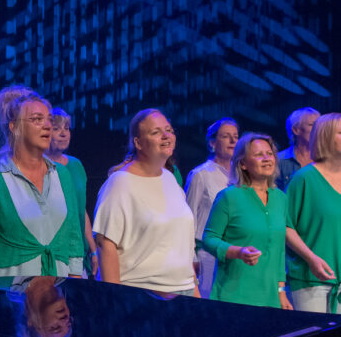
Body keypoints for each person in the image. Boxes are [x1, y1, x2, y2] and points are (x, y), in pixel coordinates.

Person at [0, 93, 84, 279]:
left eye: (49, 119)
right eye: (37, 119)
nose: (48, 125)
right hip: (10, 298)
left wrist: (74, 290)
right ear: (15, 127)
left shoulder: (63, 175)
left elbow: (74, 240)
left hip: (57, 294)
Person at [202, 132, 320, 309]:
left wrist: (281, 292)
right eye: (258, 155)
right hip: (234, 296)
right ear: (242, 164)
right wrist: (237, 251)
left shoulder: (280, 198)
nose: (266, 159)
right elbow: (208, 240)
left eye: (269, 153)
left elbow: (279, 250)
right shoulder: (229, 197)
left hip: (270, 298)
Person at [93, 109, 198, 297]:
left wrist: (195, 291)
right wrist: (113, 299)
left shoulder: (170, 179)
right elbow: (106, 245)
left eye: (169, 130)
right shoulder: (120, 183)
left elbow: (183, 246)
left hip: (184, 293)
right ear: (138, 143)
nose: (166, 136)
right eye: (156, 132)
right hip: (141, 295)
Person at [286, 113, 341, 313]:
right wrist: (311, 258)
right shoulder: (304, 179)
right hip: (311, 280)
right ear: (325, 137)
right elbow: (285, 226)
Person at [184, 118, 239, 297]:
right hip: (207, 256)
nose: (233, 141)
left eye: (236, 136)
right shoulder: (201, 174)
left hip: (235, 252)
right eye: (226, 136)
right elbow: (188, 218)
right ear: (212, 143)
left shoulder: (242, 176)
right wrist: (191, 258)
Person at [47, 107, 99, 276]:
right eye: (56, 129)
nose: (63, 133)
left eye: (67, 128)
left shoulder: (76, 165)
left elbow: (80, 208)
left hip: (77, 251)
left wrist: (92, 249)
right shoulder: (37, 166)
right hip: (51, 252)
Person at [277, 107, 320, 190]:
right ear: (296, 130)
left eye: (320, 125)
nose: (318, 128)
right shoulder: (278, 160)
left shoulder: (328, 158)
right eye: (312, 125)